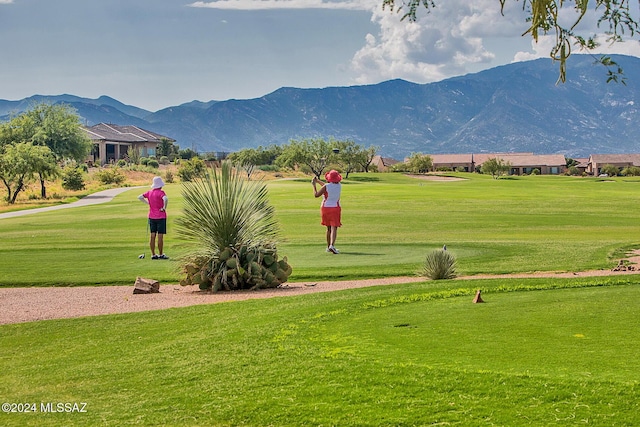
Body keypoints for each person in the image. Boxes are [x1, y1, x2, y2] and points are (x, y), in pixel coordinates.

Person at [138, 176, 169, 260]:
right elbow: (165, 199)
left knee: (152, 235)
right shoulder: (161, 192)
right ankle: (161, 254)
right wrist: (164, 207)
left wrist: (147, 203)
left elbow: (140, 197)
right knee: (160, 236)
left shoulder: (149, 192)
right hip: (161, 216)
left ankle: (153, 254)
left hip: (152, 216)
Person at [312, 170, 342, 254]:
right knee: (334, 227)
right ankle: (332, 245)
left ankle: (329, 246)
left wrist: (314, 185)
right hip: (335, 208)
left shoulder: (326, 186)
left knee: (328, 228)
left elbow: (316, 194)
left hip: (325, 208)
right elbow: (326, 186)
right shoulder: (339, 186)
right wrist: (318, 181)